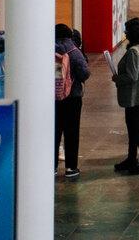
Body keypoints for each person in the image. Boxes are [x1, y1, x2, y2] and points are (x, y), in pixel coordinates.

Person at [108, 17, 139, 174]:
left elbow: (132, 76)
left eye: (127, 30)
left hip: (135, 95)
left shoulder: (134, 51)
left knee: (136, 129)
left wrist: (117, 78)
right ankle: (132, 158)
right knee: (135, 127)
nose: (125, 33)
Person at [54, 24, 89, 179]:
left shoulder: (46, 50)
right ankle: (71, 167)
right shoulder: (74, 52)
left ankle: (51, 166)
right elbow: (84, 73)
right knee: (72, 131)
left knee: (54, 131)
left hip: (52, 98)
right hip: (72, 97)